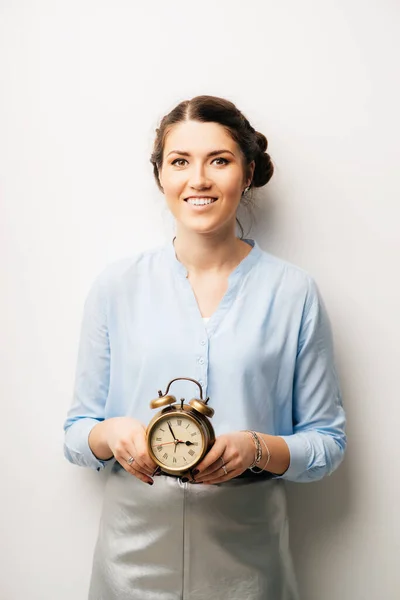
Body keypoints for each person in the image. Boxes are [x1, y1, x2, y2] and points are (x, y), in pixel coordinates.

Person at [63, 95, 347, 600]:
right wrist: (112, 434)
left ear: (248, 171)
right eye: (180, 162)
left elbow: (327, 444)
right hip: (132, 552)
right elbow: (75, 434)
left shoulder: (294, 292)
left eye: (219, 160)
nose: (199, 179)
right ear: (161, 177)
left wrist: (256, 448)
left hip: (249, 559)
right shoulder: (116, 287)